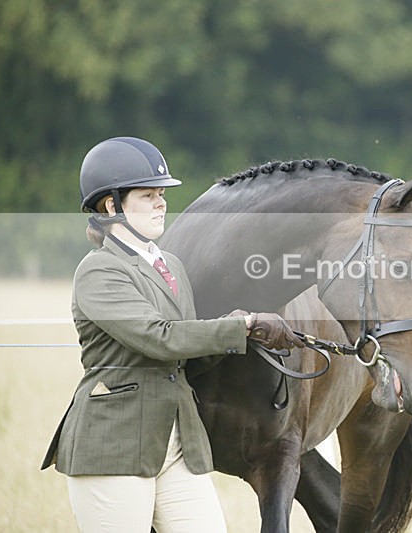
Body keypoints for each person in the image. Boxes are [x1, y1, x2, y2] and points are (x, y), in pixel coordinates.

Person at [41, 136, 302, 533]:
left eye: (161, 193)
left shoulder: (171, 266)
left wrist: (246, 335)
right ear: (112, 205)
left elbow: (186, 352)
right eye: (148, 195)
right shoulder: (99, 271)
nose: (162, 202)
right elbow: (158, 338)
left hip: (179, 444)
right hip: (116, 443)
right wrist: (240, 326)